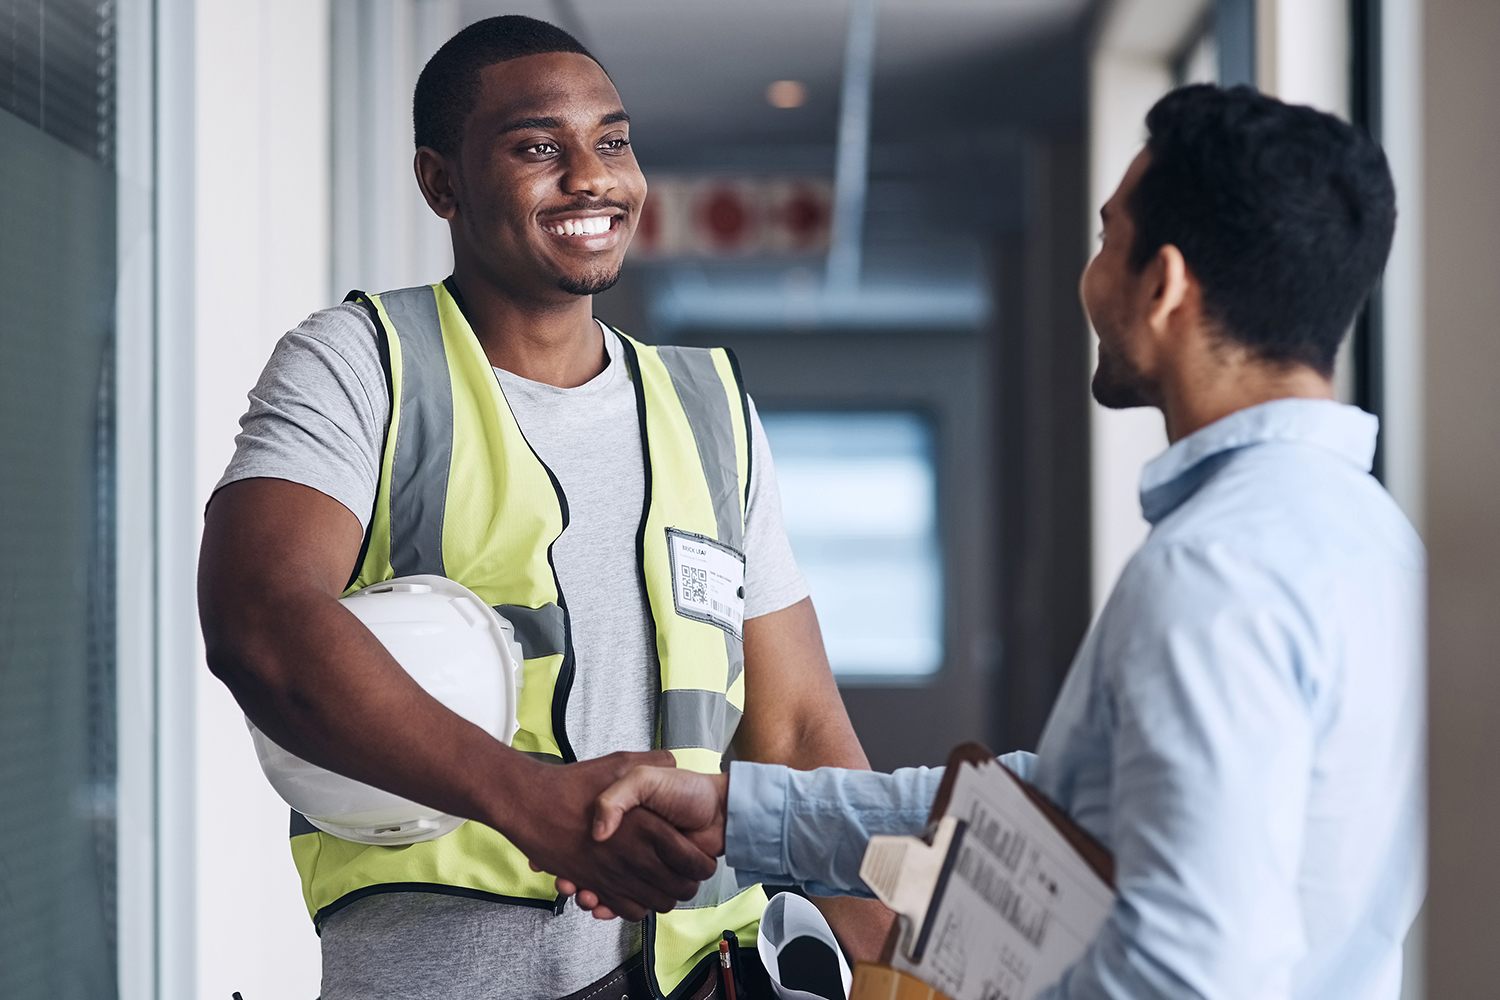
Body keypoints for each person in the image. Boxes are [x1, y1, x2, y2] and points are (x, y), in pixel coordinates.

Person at [564, 85, 1425, 1000]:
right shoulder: (1378, 542)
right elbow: (1061, 807)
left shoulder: (1215, 568)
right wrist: (738, 810)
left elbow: (1181, 972)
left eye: (1105, 242)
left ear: (1164, 286)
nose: (1091, 280)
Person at [197, 15, 888, 1000]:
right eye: (537, 147)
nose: (592, 176)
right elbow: (260, 622)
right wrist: (535, 805)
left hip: (706, 976)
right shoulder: (363, 365)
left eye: (612, 140)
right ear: (441, 182)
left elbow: (805, 733)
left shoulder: (711, 409)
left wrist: (908, 957)